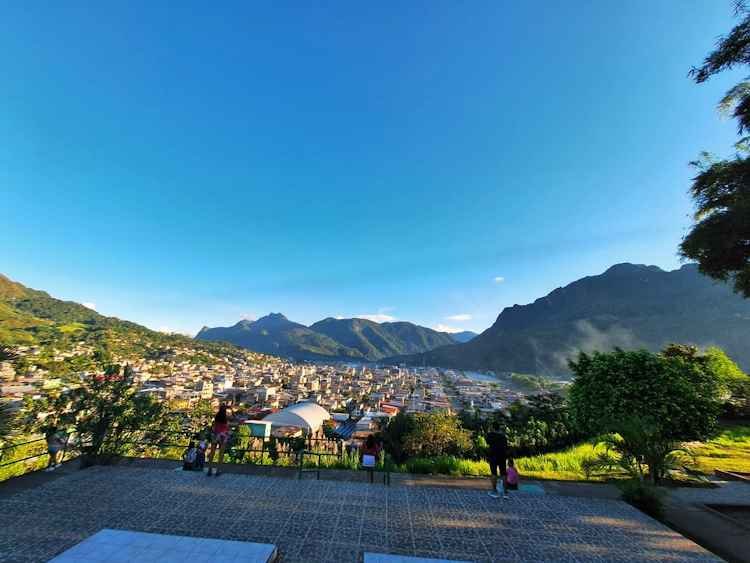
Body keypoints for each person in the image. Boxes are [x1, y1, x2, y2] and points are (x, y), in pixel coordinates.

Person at [206, 404, 230, 477]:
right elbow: (226, 428)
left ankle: (209, 470)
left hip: (215, 435)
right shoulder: (225, 418)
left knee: (212, 453)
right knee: (221, 454)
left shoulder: (217, 416)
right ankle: (218, 470)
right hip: (222, 436)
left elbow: (214, 426)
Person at [485, 425, 508, 499]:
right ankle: (505, 492)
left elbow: (487, 442)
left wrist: (489, 431)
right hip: (502, 455)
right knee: (503, 473)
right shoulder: (503, 436)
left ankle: (494, 491)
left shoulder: (490, 435)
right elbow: (506, 445)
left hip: (493, 455)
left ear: (492, 428)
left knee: (494, 473)